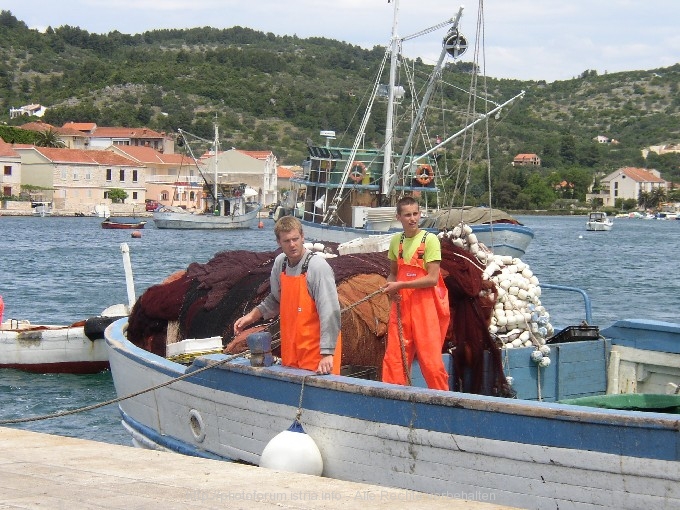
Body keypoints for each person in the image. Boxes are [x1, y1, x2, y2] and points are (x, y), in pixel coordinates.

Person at [234, 216, 342, 375]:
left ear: (303, 236)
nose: (292, 245)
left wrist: (327, 353)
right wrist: (251, 317)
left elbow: (330, 313)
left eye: (295, 239)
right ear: (279, 242)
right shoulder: (280, 264)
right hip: (291, 354)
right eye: (286, 241)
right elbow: (275, 299)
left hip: (317, 356)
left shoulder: (318, 268)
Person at [381, 196, 450, 390]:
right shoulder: (396, 241)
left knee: (431, 363)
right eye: (407, 215)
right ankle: (393, 402)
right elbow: (393, 273)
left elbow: (432, 278)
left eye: (415, 214)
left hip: (424, 309)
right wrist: (390, 288)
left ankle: (442, 401)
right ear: (399, 217)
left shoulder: (430, 240)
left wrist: (399, 286)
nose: (412, 219)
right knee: (395, 360)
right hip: (401, 307)